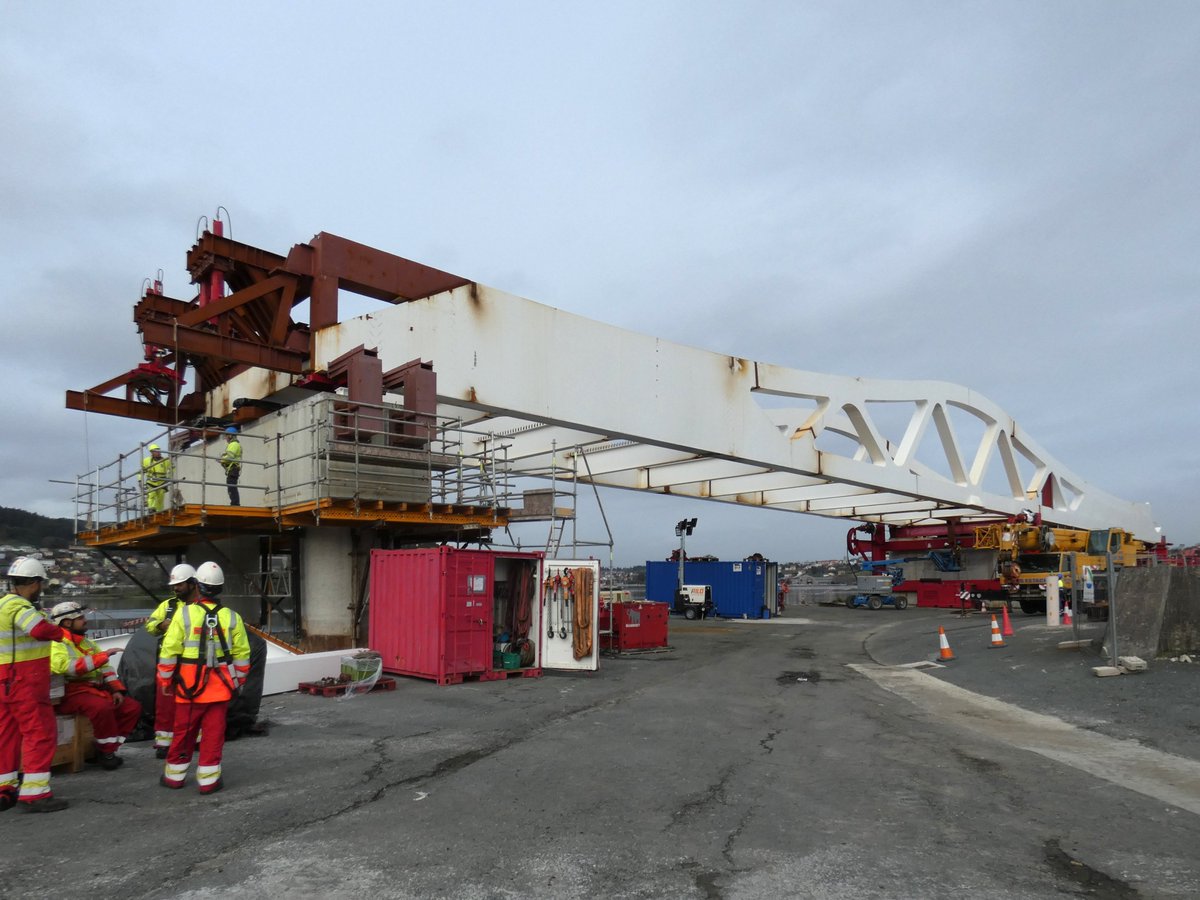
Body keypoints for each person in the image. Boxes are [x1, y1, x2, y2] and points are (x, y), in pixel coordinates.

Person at [157, 561, 250, 794]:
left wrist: (166, 681)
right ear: (220, 588)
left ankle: (174, 778)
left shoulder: (183, 614)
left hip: (188, 689)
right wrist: (237, 682)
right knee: (213, 734)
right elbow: (242, 655)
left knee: (183, 733)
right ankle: (208, 781)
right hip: (220, 689)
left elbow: (169, 651)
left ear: (197, 585)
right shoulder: (232, 617)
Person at [0, 556, 78, 813]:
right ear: (33, 583)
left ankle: (5, 788)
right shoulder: (20, 607)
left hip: (4, 682)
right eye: (40, 584)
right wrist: (58, 631)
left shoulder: (2, 605)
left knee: (7, 735)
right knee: (40, 733)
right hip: (24, 681)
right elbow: (38, 631)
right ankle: (35, 794)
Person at [49, 602, 141, 770]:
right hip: (71, 692)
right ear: (67, 622)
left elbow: (106, 669)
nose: (85, 621)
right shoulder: (57, 644)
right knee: (101, 708)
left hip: (94, 689)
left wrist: (116, 690)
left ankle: (107, 749)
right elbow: (67, 667)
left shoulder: (87, 643)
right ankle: (107, 753)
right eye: (81, 618)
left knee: (132, 707)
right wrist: (103, 656)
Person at [145, 563, 196, 757]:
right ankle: (164, 742)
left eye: (180, 584)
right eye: (174, 585)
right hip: (169, 661)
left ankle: (195, 738)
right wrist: (160, 625)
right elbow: (149, 625)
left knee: (194, 701)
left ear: (192, 584)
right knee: (165, 703)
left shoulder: (201, 607)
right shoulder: (168, 606)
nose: (176, 588)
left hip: (192, 662)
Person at [141, 443, 172, 513]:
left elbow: (172, 468)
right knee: (152, 495)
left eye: (158, 450)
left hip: (162, 481)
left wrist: (170, 477)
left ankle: (159, 511)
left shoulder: (165, 461)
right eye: (156, 451)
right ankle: (151, 508)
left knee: (160, 497)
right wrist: (140, 480)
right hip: (151, 481)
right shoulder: (146, 461)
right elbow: (141, 471)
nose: (158, 452)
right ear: (151, 452)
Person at [219, 427, 242, 506]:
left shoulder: (234, 444)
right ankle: (235, 503)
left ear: (230, 436)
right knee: (231, 486)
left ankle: (235, 503)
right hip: (232, 469)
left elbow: (230, 457)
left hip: (233, 469)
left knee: (232, 487)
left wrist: (222, 460)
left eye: (226, 435)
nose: (225, 437)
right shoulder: (233, 444)